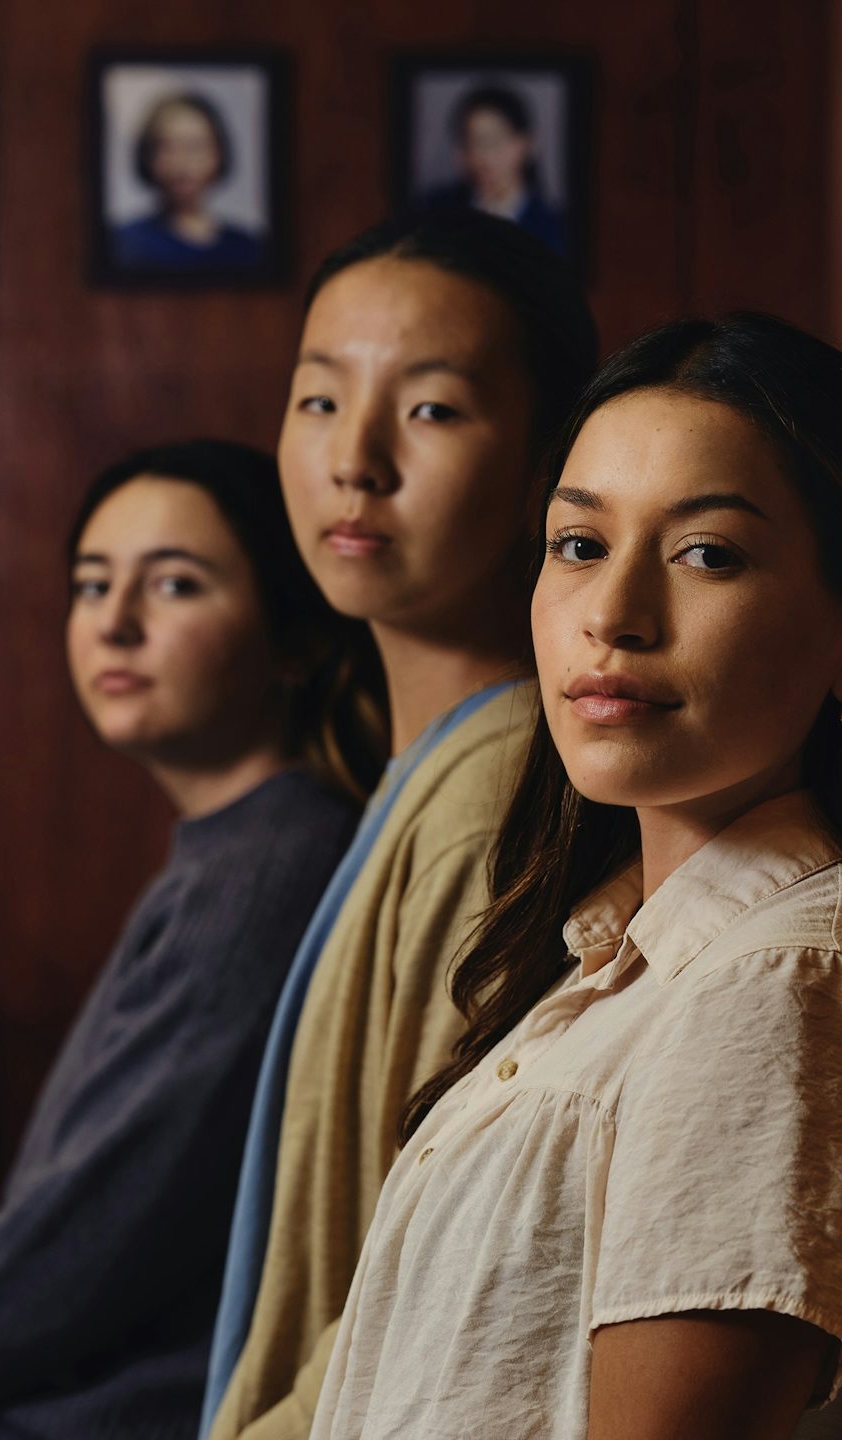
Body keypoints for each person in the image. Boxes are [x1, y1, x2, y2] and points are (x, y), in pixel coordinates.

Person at [306, 313, 842, 1439]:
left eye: (709, 554)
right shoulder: (641, 949)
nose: (613, 617)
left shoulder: (781, 987)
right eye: (579, 545)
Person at [0, 440, 382, 1439]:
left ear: (296, 640)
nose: (114, 623)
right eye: (92, 585)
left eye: (174, 584)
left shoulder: (265, 877)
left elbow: (65, 1264)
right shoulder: (234, 853)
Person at [200, 212, 598, 1440]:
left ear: (546, 464)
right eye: (320, 401)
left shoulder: (497, 799)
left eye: (429, 410)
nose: (354, 460)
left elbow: (428, 1281)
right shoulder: (424, 767)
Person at [111, 93, 263, 272]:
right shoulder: (124, 242)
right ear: (147, 156)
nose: (182, 163)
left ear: (218, 154)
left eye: (194, 147)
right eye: (168, 148)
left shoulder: (249, 248)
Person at [417, 84, 567, 258]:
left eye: (495, 141)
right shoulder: (437, 211)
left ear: (528, 143)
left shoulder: (554, 226)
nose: (483, 155)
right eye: (473, 142)